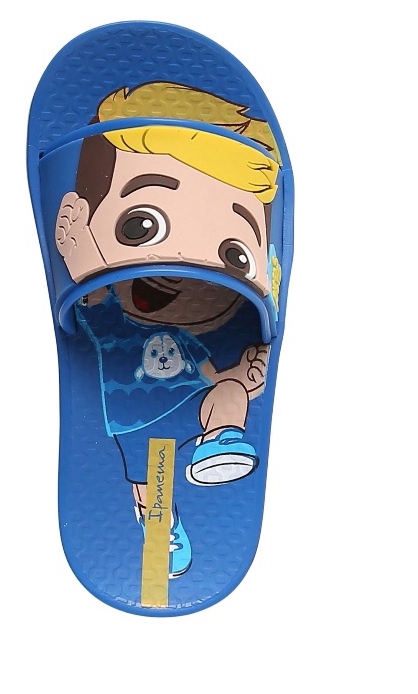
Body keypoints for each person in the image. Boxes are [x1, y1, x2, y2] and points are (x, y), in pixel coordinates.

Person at [54, 81, 283, 575]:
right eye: (139, 224)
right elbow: (93, 298)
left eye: (235, 252)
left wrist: (240, 381)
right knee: (148, 482)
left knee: (227, 392)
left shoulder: (175, 339)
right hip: (136, 422)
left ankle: (222, 442)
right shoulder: (110, 318)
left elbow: (208, 369)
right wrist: (82, 256)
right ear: (77, 220)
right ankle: (162, 534)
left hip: (186, 400)